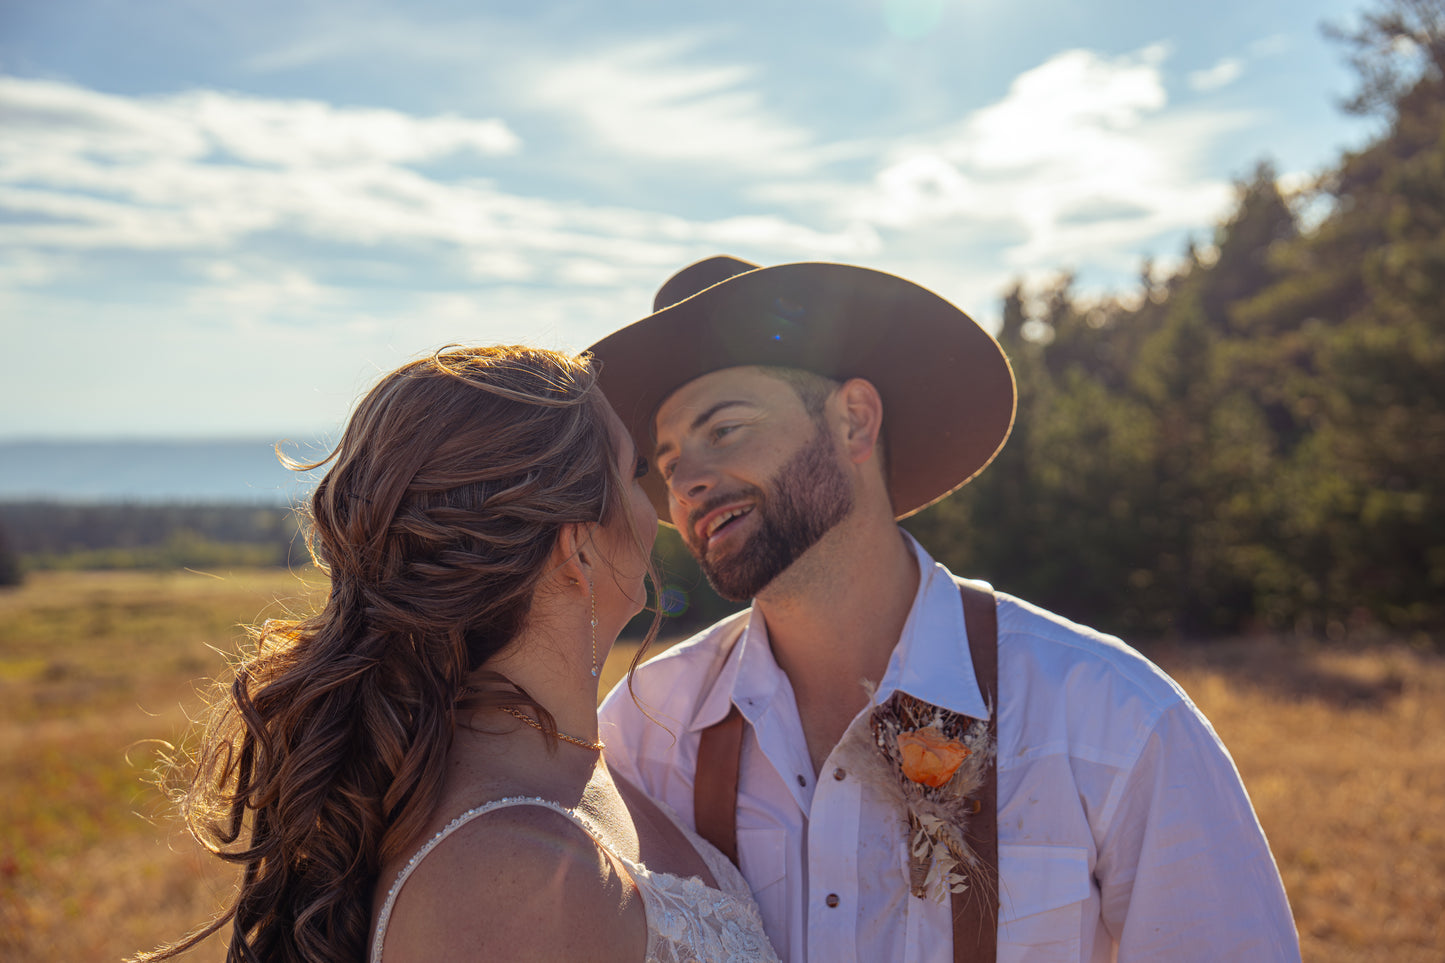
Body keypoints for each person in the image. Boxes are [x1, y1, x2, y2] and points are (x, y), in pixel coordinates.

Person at [592, 257, 1302, 963]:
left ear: (853, 421)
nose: (684, 481)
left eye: (723, 429)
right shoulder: (643, 731)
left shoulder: (1111, 717)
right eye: (667, 460)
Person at [133, 346, 779, 963]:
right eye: (635, 471)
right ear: (576, 548)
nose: (657, 512)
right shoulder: (506, 890)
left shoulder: (573, 765)